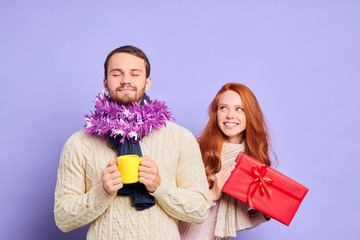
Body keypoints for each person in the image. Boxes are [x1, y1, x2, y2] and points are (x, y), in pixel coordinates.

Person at [54, 45, 210, 240]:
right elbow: (63, 218)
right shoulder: (79, 143)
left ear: (148, 82)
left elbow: (200, 211)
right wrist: (101, 192)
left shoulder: (180, 138)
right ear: (105, 82)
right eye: (117, 74)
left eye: (135, 74)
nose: (126, 80)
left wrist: (159, 187)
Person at [179, 83, 274, 240]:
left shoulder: (253, 165)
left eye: (239, 109)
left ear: (250, 114)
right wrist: (213, 194)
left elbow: (236, 222)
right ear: (216, 113)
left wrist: (265, 215)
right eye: (223, 108)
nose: (230, 115)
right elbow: (175, 200)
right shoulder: (196, 148)